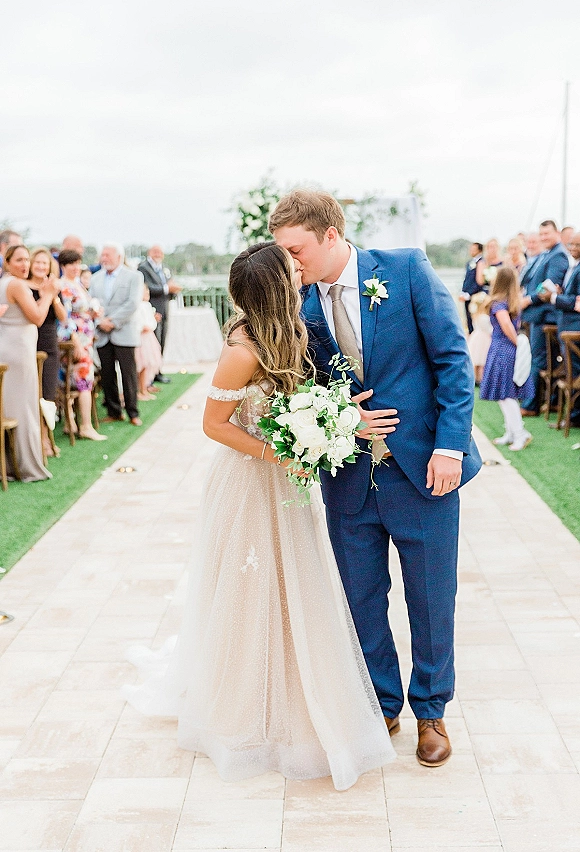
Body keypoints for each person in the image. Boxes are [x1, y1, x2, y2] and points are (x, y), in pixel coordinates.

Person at [123, 242, 396, 790]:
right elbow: (215, 424)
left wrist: (336, 419)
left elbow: (306, 397)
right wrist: (283, 452)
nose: (300, 267)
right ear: (276, 283)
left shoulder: (293, 329)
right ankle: (243, 700)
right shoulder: (243, 347)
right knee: (249, 584)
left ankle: (295, 683)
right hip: (249, 480)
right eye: (291, 266)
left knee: (292, 578)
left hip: (285, 479)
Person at [270, 190, 482, 768]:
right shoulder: (301, 305)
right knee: (361, 597)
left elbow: (452, 360)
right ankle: (380, 703)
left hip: (425, 470)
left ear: (332, 234)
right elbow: (299, 389)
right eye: (283, 252)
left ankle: (432, 711)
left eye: (298, 249)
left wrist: (450, 448)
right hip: (348, 476)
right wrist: (344, 418)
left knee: (431, 598)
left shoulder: (406, 269)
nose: (292, 263)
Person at [0, 245, 57, 481]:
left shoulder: (4, 283)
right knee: (23, 408)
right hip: (18, 352)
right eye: (19, 260)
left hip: (9, 349)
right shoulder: (16, 284)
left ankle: (10, 464)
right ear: (8, 262)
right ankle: (25, 466)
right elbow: (37, 317)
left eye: (27, 260)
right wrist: (49, 295)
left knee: (10, 407)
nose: (24, 265)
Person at [480, 265, 534, 450]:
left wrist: (517, 343)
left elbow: (506, 325)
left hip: (503, 349)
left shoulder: (499, 303)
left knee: (507, 395)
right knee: (504, 396)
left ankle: (520, 434)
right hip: (504, 349)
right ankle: (511, 433)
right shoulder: (510, 302)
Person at [90, 243, 143, 426]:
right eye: (102, 255)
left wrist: (111, 321)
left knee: (128, 374)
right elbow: (91, 304)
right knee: (107, 374)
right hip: (102, 334)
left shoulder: (134, 276)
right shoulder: (95, 278)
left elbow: (132, 303)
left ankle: (133, 412)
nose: (104, 258)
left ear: (119, 257)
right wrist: (99, 321)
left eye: (108, 255)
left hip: (124, 332)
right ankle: (114, 411)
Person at [520, 220, 569, 416]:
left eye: (546, 234)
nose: (543, 238)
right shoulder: (547, 254)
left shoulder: (558, 255)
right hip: (537, 316)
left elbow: (549, 285)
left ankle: (530, 405)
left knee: (539, 359)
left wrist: (528, 299)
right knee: (541, 360)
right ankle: (550, 401)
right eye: (541, 234)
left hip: (545, 316)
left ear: (556, 233)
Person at [57, 250, 106, 441]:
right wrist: (75, 342)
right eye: (71, 264)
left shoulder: (77, 284)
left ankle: (74, 423)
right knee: (83, 382)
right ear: (63, 266)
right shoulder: (64, 287)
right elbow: (65, 318)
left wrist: (93, 315)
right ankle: (85, 425)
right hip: (75, 340)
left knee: (82, 381)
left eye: (77, 263)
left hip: (86, 338)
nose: (75, 268)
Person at [28, 247, 67, 456]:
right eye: (38, 263)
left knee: (48, 395)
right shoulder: (23, 288)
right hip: (29, 344)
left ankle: (45, 438)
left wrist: (52, 296)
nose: (41, 266)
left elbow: (63, 317)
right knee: (32, 395)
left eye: (45, 263)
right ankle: (34, 441)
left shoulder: (53, 287)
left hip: (49, 344)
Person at [539, 231, 580, 427]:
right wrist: (562, 295)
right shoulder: (574, 266)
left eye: (577, 245)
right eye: (571, 244)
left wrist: (554, 298)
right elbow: (573, 299)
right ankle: (570, 415)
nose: (572, 248)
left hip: (574, 331)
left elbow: (577, 302)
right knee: (570, 372)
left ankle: (574, 417)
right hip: (565, 327)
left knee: (575, 373)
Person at [138, 245, 182, 383]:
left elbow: (168, 284)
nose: (158, 254)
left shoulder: (163, 268)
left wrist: (173, 289)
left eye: (160, 252)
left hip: (165, 309)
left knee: (162, 341)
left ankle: (158, 371)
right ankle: (149, 375)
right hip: (151, 311)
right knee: (153, 344)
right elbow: (147, 287)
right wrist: (167, 288)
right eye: (155, 252)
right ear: (149, 253)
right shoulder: (143, 268)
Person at [135, 285, 163, 400]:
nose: (147, 293)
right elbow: (140, 323)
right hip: (142, 339)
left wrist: (152, 322)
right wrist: (145, 326)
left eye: (147, 290)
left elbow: (150, 322)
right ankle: (140, 390)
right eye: (143, 291)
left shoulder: (147, 305)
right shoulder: (138, 306)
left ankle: (145, 388)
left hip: (149, 338)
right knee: (141, 365)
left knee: (148, 365)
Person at [458, 242, 485, 334]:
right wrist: (463, 292)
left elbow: (479, 281)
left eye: (474, 249)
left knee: (475, 319)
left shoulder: (482, 262)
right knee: (468, 317)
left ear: (479, 250)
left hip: (476, 295)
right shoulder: (470, 262)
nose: (471, 251)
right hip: (466, 294)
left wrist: (470, 294)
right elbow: (467, 279)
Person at [467, 291, 492, 384]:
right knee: (482, 362)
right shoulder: (484, 317)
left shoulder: (476, 315)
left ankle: (476, 378)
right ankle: (482, 379)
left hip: (476, 337)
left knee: (477, 360)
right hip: (484, 339)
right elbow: (489, 329)